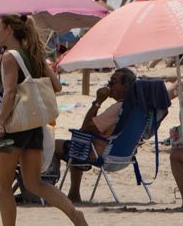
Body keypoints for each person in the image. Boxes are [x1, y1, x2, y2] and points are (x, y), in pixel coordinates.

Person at [0, 14, 91, 226]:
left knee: (4, 184)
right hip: (34, 124)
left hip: (14, 125)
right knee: (35, 183)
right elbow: (56, 85)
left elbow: (10, 93)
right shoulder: (34, 55)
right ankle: (75, 215)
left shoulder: (9, 57)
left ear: (8, 29)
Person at [53, 68, 135, 202]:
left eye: (113, 82)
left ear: (125, 87)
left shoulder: (117, 108)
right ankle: (73, 194)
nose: (109, 85)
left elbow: (86, 127)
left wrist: (98, 102)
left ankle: (49, 188)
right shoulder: (134, 108)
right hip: (125, 155)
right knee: (79, 142)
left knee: (56, 145)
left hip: (99, 153)